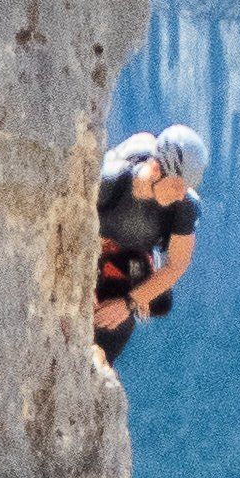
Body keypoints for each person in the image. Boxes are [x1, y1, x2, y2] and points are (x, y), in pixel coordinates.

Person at [94, 123, 207, 352]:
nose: (181, 196)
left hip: (134, 253)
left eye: (186, 189)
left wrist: (128, 303)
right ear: (156, 168)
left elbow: (177, 265)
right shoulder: (109, 181)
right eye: (177, 186)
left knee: (156, 303)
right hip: (91, 243)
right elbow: (67, 222)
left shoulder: (185, 207)